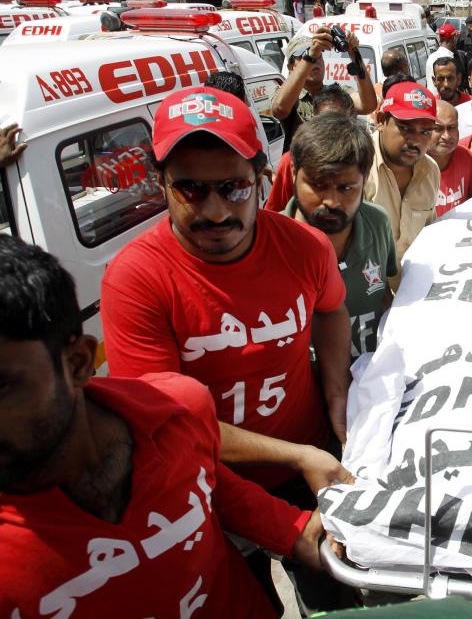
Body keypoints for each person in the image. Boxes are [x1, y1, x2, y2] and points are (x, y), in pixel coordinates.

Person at [98, 87, 353, 614]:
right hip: (207, 489)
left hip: (308, 471)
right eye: (190, 189)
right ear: (161, 186)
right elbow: (166, 426)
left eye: (233, 188)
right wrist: (296, 454)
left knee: (336, 602)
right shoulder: (135, 279)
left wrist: (337, 396)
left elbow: (332, 310)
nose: (214, 212)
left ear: (262, 181)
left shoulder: (308, 247)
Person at [0, 235, 339, 617]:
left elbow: (202, 478)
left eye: (2, 386)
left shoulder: (174, 411)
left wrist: (295, 530)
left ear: (78, 363)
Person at [285, 112, 396, 360]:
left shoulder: (377, 223)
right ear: (294, 172)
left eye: (346, 188)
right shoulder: (268, 245)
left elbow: (384, 295)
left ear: (365, 179)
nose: (332, 201)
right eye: (318, 185)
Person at [364, 81, 440, 288]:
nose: (415, 141)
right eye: (406, 128)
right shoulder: (357, 168)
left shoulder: (430, 171)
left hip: (413, 294)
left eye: (425, 132)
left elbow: (428, 235)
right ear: (381, 121)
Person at [271, 31, 376, 151]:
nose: (315, 61)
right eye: (303, 56)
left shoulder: (337, 93)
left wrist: (354, 54)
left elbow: (367, 105)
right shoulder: (288, 96)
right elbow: (280, 109)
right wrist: (310, 56)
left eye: (319, 55)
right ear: (291, 67)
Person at [265, 84, 356, 213]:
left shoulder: (361, 159)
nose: (332, 129)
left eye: (339, 122)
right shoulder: (291, 161)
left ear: (351, 119)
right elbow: (274, 215)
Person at [429, 100, 472, 217]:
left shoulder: (466, 157)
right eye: (438, 128)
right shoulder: (412, 165)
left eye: (451, 128)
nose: (446, 136)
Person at [426, 23, 459, 95]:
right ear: (452, 38)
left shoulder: (431, 56)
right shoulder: (449, 60)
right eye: (456, 37)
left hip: (432, 100)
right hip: (445, 99)